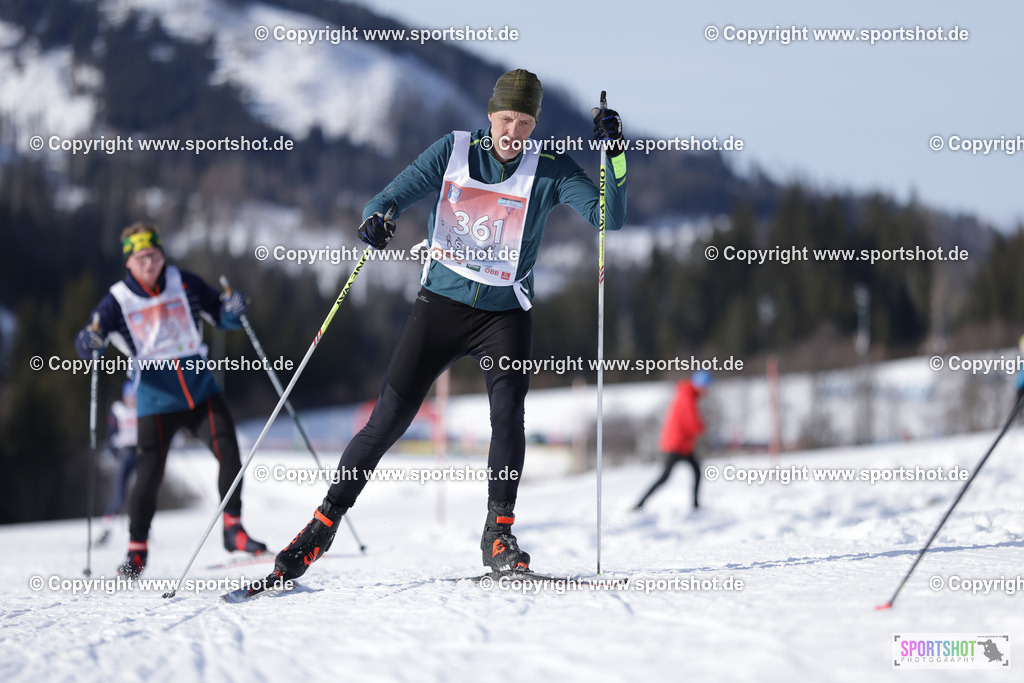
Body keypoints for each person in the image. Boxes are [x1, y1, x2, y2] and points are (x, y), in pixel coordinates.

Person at [272, 68, 628, 580]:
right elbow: (388, 197)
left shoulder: (549, 169)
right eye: (506, 118)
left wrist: (613, 155)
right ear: (490, 115)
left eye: (525, 122)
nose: (514, 131)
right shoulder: (454, 151)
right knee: (387, 422)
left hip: (505, 315)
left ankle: (498, 533)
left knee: (507, 418)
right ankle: (322, 526)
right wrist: (377, 219)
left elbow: (608, 220)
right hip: (440, 305)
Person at [76, 223, 267, 577]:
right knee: (149, 473)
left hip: (199, 392)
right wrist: (89, 342)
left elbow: (221, 314)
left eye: (155, 255)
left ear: (162, 256)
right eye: (141, 257)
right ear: (129, 264)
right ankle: (136, 551)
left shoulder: (185, 283)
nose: (149, 263)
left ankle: (233, 529)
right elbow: (90, 336)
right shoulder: (117, 300)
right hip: (157, 401)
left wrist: (234, 309)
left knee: (229, 451)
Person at [634, 370, 713, 511]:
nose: (707, 391)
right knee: (665, 477)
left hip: (683, 445)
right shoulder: (687, 398)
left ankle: (695, 505)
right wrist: (702, 426)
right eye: (706, 387)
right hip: (676, 445)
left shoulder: (687, 395)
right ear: (701, 385)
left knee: (696, 472)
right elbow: (692, 425)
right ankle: (639, 504)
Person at [94, 380, 139, 547]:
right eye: (129, 396)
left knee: (143, 492)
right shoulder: (118, 411)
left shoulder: (143, 410)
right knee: (119, 497)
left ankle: (145, 531)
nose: (132, 400)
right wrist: (115, 449)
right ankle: (106, 530)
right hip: (125, 456)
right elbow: (110, 435)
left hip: (141, 455)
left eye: (134, 396)